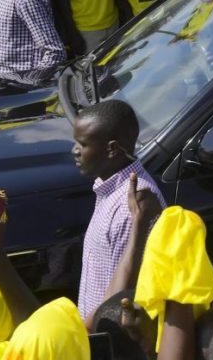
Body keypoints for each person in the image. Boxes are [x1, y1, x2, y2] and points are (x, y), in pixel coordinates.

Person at [72, 98, 166, 321]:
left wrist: (86, 334)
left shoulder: (130, 205)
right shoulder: (109, 187)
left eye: (82, 144)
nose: (74, 151)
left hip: (106, 333)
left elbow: (120, 297)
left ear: (112, 149)